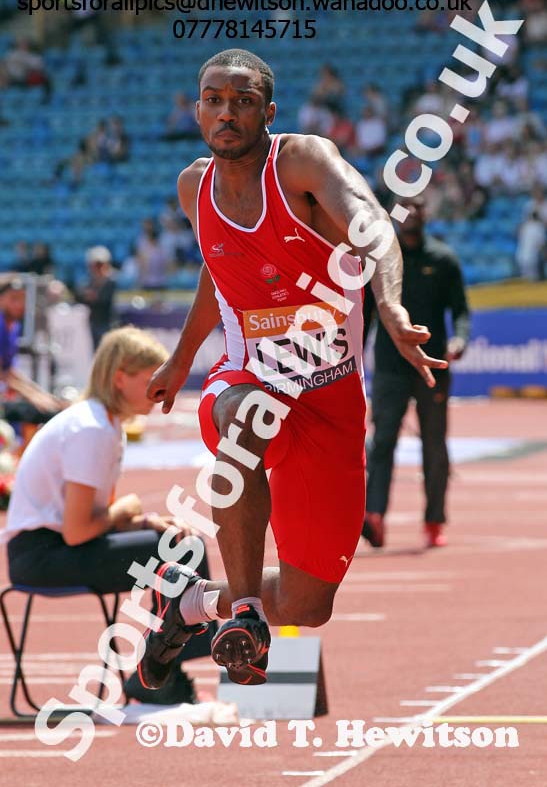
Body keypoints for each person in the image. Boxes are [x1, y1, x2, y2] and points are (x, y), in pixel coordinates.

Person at [137, 49, 447, 691]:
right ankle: (247, 612)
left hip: (330, 401)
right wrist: (183, 357)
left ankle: (193, 604)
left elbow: (373, 227)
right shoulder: (194, 186)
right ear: (197, 110)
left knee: (310, 605)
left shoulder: (303, 162)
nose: (227, 112)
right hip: (247, 378)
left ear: (268, 111)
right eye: (214, 99)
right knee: (242, 418)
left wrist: (388, 302)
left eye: (243, 101)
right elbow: (216, 269)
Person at [1, 326, 212, 704]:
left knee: (180, 543)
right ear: (120, 378)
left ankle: (162, 673)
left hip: (54, 547)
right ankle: (160, 677)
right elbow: (79, 531)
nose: (162, 385)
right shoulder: (91, 428)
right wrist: (128, 509)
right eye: (151, 377)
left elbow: (89, 521)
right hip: (41, 557)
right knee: (183, 549)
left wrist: (144, 521)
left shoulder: (104, 424)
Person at [362, 195, 470, 550]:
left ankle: (434, 520)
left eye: (420, 206)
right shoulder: (379, 259)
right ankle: (374, 517)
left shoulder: (443, 259)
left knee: (435, 447)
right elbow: (363, 316)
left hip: (433, 367)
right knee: (382, 444)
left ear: (426, 212)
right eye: (405, 206)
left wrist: (460, 340)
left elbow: (462, 312)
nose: (413, 212)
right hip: (390, 370)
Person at [0, 278, 63, 426]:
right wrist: (34, 397)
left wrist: (42, 395)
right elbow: (3, 374)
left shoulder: (13, 326)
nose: (20, 304)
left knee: (51, 410)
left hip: (5, 396)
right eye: (13, 299)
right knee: (46, 413)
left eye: (23, 299)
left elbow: (8, 371)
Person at [75, 246, 117, 349]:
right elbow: (79, 297)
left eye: (99, 265)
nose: (96, 268)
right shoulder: (88, 282)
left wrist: (92, 296)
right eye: (94, 265)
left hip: (106, 324)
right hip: (90, 324)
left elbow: (104, 299)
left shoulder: (111, 281)